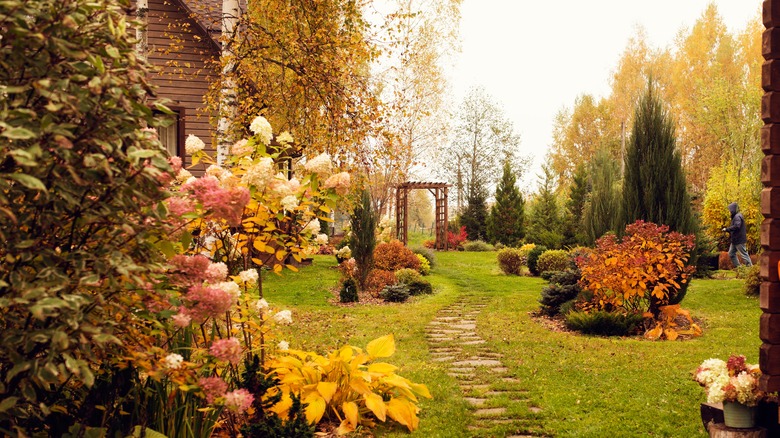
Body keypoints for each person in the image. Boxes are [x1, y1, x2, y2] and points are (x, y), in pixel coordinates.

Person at [722, 202, 752, 267]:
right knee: (731, 253)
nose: (729, 211)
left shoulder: (737, 216)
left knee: (744, 254)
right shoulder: (735, 216)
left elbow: (737, 226)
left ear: (733, 209)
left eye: (730, 210)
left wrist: (727, 229)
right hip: (735, 240)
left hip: (739, 239)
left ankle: (751, 269)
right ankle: (739, 268)